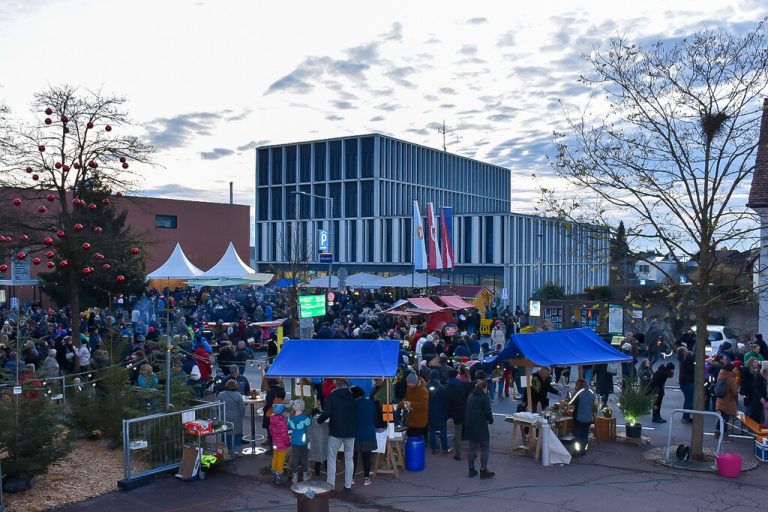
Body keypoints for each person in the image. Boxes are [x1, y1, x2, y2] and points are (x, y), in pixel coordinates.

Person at [317, 379, 356, 492]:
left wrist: (318, 421)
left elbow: (327, 413)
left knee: (332, 458)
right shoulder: (352, 397)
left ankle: (331, 486)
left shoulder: (331, 397)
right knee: (349, 458)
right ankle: (348, 486)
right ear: (346, 386)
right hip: (350, 431)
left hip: (335, 431)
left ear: (336, 386)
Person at [464, 380, 494, 479]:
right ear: (484, 388)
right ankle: (483, 470)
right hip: (481, 425)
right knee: (485, 447)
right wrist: (491, 420)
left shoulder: (470, 396)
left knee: (472, 448)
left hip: (470, 425)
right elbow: (488, 412)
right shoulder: (484, 397)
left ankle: (471, 469)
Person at [444, 368, 474, 460]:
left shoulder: (447, 387)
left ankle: (458, 455)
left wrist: (450, 416)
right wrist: (491, 380)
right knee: (471, 434)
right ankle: (473, 453)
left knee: (457, 434)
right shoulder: (462, 384)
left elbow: (447, 405)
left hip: (456, 414)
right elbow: (475, 383)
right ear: (455, 376)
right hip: (466, 411)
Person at [351, 386, 377, 486]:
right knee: (366, 457)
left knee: (354, 457)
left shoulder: (353, 404)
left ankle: (351, 478)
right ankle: (366, 479)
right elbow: (375, 417)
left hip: (356, 433)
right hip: (369, 432)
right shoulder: (370, 403)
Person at [216, 379, 245, 454]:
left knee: (225, 432)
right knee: (237, 433)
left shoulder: (221, 394)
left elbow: (216, 406)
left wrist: (218, 415)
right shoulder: (238, 395)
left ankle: (226, 449)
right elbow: (242, 408)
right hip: (236, 417)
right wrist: (241, 415)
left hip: (224, 417)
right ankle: (237, 450)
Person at [568, 378, 595, 456]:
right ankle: (583, 451)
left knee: (578, 436)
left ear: (578, 385)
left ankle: (577, 451)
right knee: (585, 435)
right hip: (588, 418)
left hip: (579, 418)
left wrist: (571, 395)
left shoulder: (579, 392)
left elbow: (570, 402)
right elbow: (593, 402)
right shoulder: (591, 392)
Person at [288, 399, 311, 483]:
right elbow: (309, 427)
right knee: (304, 458)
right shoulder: (305, 418)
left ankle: (294, 477)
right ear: (302, 407)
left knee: (295, 458)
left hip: (294, 440)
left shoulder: (290, 417)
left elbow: (289, 427)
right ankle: (305, 475)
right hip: (303, 441)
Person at [399, 372, 429, 438]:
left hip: (420, 421)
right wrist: (399, 406)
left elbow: (424, 406)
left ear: (415, 382)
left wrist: (411, 404)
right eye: (407, 382)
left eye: (410, 383)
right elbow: (406, 399)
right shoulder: (409, 388)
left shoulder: (423, 390)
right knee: (410, 437)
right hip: (411, 420)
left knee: (416, 439)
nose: (408, 384)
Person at [427, 373, 451, 455]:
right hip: (441, 413)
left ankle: (434, 448)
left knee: (432, 431)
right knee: (443, 431)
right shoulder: (442, 388)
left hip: (430, 413)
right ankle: (445, 448)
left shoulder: (427, 388)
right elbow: (446, 402)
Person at [714, 363, 738, 438]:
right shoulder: (731, 379)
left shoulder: (721, 375)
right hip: (728, 401)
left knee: (722, 417)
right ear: (731, 370)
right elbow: (735, 392)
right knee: (725, 419)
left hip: (720, 400)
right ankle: (724, 433)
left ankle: (717, 431)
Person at [269, 403, 290, 483]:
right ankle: (279, 475)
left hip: (275, 442)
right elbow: (285, 435)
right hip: (282, 444)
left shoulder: (272, 419)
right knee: (281, 458)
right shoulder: (282, 422)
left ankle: (273, 473)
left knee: (275, 456)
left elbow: (271, 431)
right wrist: (288, 443)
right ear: (282, 412)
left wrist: (275, 438)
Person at [309, 407, 329, 478]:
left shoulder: (311, 421)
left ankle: (317, 473)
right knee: (326, 456)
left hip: (316, 443)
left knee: (317, 459)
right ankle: (327, 469)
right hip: (325, 442)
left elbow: (309, 432)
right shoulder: (325, 421)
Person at [677, 346, 696, 423]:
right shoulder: (688, 358)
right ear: (683, 352)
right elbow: (695, 357)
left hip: (684, 382)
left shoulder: (682, 359)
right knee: (689, 400)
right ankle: (685, 417)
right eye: (686, 349)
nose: (688, 350)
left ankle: (686, 416)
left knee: (688, 399)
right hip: (688, 382)